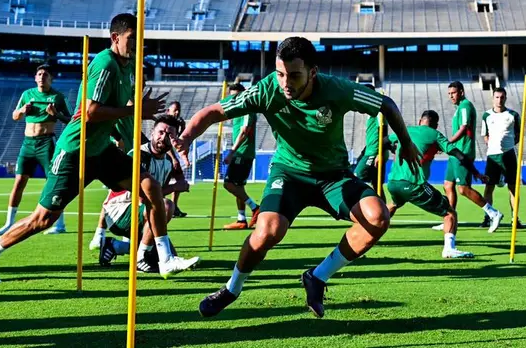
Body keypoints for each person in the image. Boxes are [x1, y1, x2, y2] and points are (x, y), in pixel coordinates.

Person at [175, 36, 419, 319]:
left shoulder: (337, 89)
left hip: (333, 176)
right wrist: (187, 136)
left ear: (313, 72)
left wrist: (406, 142)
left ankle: (317, 276)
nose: (285, 82)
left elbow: (386, 104)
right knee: (268, 231)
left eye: (294, 75)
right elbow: (214, 111)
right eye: (280, 74)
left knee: (377, 218)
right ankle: (231, 289)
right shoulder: (266, 90)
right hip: (289, 173)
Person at [0, 13, 191, 284]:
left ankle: (163, 258)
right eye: (132, 39)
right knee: (43, 219)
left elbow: (120, 112)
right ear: (116, 38)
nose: (137, 44)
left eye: (141, 40)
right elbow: (90, 112)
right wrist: (138, 110)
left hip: (101, 151)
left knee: (151, 187)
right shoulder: (105, 64)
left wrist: (132, 123)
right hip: (75, 151)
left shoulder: (130, 66)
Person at [99, 114, 199, 273]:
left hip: (141, 212)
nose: (163, 137)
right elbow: (142, 196)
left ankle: (114, 246)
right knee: (166, 206)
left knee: (168, 254)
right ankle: (141, 257)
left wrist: (176, 183)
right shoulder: (139, 155)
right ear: (152, 133)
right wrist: (175, 187)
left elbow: (157, 197)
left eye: (169, 134)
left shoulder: (167, 162)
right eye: (160, 132)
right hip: (120, 211)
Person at [386, 110, 488, 258]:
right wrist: (476, 172)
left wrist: (391, 149)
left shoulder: (406, 130)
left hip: (393, 183)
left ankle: (369, 230)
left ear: (420, 121)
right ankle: (449, 249)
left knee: (394, 204)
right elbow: (460, 155)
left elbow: (384, 140)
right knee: (449, 212)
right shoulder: (435, 134)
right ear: (435, 124)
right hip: (414, 184)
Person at [0, 64, 71, 236]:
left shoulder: (57, 97)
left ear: (51, 79)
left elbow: (70, 119)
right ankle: (8, 223)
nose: (42, 76)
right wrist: (22, 110)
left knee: (53, 184)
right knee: (19, 182)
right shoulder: (27, 94)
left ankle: (60, 224)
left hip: (46, 143)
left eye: (46, 74)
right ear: (35, 78)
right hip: (27, 143)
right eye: (39, 74)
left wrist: (56, 114)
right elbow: (15, 116)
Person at [438, 81, 503, 233]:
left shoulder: (465, 106)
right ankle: (449, 218)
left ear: (461, 92)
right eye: (449, 94)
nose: (450, 96)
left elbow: (464, 128)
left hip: (462, 153)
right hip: (455, 152)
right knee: (448, 185)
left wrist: (447, 143)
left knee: (463, 189)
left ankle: (494, 213)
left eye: (453, 93)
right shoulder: (459, 108)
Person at [479, 87, 524, 229]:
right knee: (489, 187)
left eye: (502, 97)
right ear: (493, 98)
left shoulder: (513, 115)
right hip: (492, 156)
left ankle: (514, 218)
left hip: (509, 155)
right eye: (497, 97)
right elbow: (485, 135)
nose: (499, 100)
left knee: (513, 188)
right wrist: (492, 144)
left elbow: (518, 134)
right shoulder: (486, 116)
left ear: (505, 98)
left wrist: (508, 144)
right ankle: (488, 216)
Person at [221, 83, 261, 230]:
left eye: (237, 95)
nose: (234, 98)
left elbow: (244, 132)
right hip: (243, 153)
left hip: (242, 153)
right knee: (239, 187)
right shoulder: (239, 111)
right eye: (232, 96)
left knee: (229, 184)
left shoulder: (246, 110)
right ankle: (241, 219)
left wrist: (231, 152)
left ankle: (255, 207)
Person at [353, 84, 388, 203]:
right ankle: (384, 212)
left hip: (375, 152)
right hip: (371, 150)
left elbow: (383, 132)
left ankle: (361, 207)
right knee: (376, 185)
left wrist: (380, 153)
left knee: (357, 177)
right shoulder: (372, 112)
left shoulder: (378, 111)